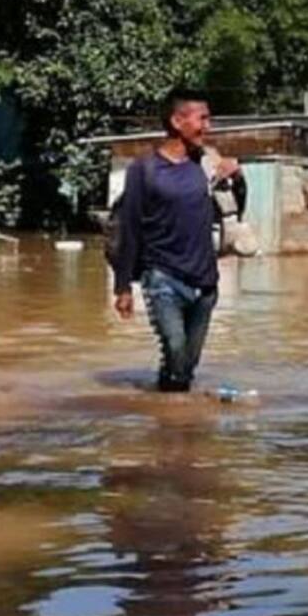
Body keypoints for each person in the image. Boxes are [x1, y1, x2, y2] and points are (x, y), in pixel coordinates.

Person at [112, 90, 238, 392]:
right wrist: (123, 286)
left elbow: (235, 211)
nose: (207, 126)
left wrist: (237, 176)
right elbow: (128, 228)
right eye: (202, 119)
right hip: (163, 277)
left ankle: (173, 422)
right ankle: (173, 416)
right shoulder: (144, 170)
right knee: (176, 348)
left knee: (185, 367)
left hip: (205, 282)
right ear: (177, 121)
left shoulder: (208, 165)